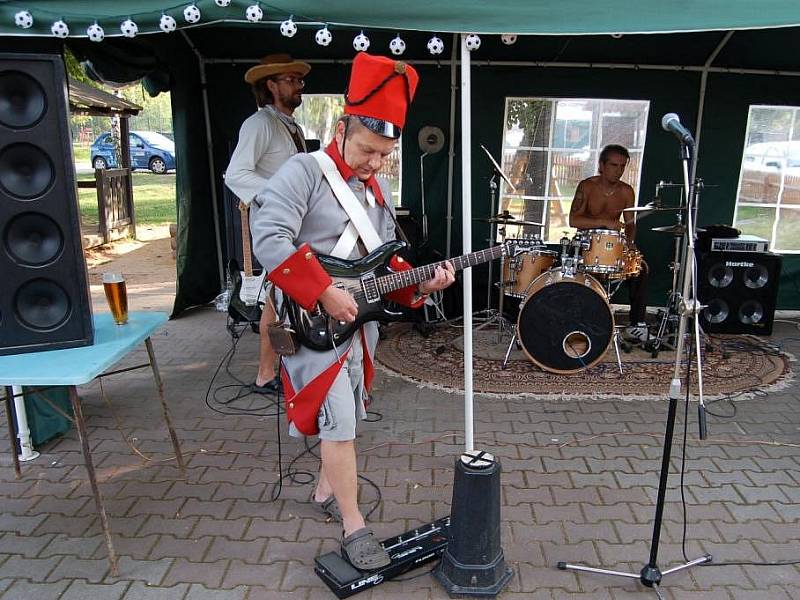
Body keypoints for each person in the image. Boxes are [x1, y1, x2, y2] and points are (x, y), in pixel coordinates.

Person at [250, 52, 455, 570]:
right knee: (339, 418)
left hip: (357, 322)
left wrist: (420, 285)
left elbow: (386, 264)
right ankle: (353, 523)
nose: (374, 164)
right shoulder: (303, 171)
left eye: (384, 155)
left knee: (352, 407)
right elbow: (268, 238)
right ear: (342, 128)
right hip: (308, 319)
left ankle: (325, 486)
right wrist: (321, 292)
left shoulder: (376, 192)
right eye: (367, 150)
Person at [225, 53, 311, 394]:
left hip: (292, 227)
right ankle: (264, 374)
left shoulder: (290, 126)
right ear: (271, 85)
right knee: (277, 302)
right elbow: (236, 174)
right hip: (275, 229)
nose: (297, 86)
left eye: (298, 80)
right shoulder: (259, 124)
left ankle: (273, 370)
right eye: (290, 80)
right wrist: (277, 196)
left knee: (281, 301)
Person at [569, 144, 650, 342]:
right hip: (585, 245)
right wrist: (604, 222)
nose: (619, 170)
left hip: (614, 246)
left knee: (641, 269)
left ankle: (637, 324)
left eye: (623, 166)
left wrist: (630, 243)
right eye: (614, 165)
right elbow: (574, 220)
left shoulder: (626, 191)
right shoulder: (587, 186)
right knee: (567, 269)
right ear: (602, 165)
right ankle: (573, 320)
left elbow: (630, 223)